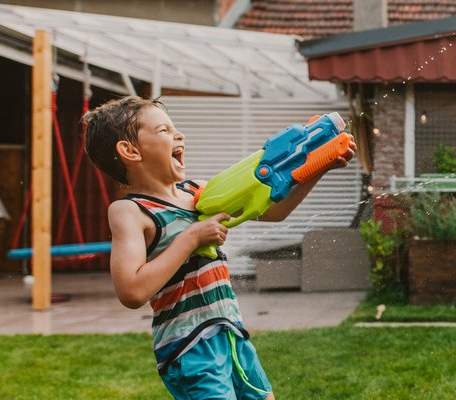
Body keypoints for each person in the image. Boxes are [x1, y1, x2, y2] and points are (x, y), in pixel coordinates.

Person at [83, 96, 355, 400]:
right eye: (163, 130)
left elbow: (275, 212)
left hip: (231, 333)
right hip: (189, 346)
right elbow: (131, 291)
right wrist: (191, 238)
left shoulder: (200, 192)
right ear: (130, 151)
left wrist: (318, 166)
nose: (179, 135)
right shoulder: (130, 211)